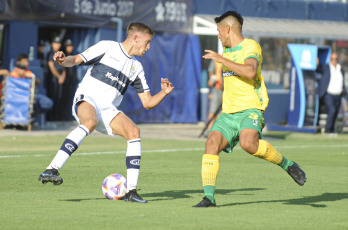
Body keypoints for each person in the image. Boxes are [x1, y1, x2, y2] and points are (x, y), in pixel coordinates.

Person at [38, 22, 174, 203]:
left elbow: (147, 103)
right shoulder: (107, 47)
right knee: (89, 122)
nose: (148, 47)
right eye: (147, 42)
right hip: (87, 98)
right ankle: (51, 169)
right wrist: (64, 60)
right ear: (136, 38)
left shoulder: (137, 68)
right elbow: (76, 59)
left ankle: (131, 192)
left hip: (108, 109)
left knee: (134, 132)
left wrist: (163, 93)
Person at [193, 11, 306, 208]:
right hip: (229, 113)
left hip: (251, 108)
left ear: (228, 29)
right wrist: (223, 59)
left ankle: (288, 165)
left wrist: (222, 60)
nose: (218, 35)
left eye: (219, 31)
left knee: (248, 144)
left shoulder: (251, 46)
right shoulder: (226, 51)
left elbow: (250, 71)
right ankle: (208, 198)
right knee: (211, 142)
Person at [316, 52, 346, 135]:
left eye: (335, 59)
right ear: (330, 59)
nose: (334, 60)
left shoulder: (340, 69)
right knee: (332, 110)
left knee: (335, 112)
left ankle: (332, 129)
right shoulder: (326, 67)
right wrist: (317, 64)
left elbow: (342, 82)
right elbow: (318, 69)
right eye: (332, 59)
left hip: (338, 95)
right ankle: (327, 130)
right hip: (328, 94)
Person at [46, 36, 66, 120]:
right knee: (53, 97)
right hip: (53, 79)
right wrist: (59, 76)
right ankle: (51, 117)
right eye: (55, 43)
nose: (57, 45)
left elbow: (64, 67)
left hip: (60, 79)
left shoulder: (61, 54)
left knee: (59, 98)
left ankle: (57, 116)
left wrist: (63, 77)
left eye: (58, 43)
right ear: (52, 44)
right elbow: (51, 66)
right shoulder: (51, 54)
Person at [205, 60, 223, 136]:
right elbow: (211, 73)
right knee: (213, 109)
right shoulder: (216, 60)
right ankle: (210, 129)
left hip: (229, 89)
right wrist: (212, 80)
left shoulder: (233, 57)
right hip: (217, 88)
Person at [61, 39, 78, 120]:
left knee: (67, 99)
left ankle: (65, 115)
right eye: (68, 46)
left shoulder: (73, 56)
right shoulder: (63, 56)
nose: (70, 48)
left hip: (70, 82)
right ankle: (58, 115)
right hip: (63, 82)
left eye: (71, 46)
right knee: (61, 98)